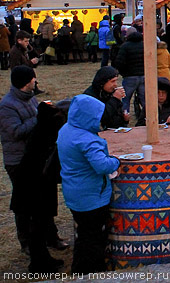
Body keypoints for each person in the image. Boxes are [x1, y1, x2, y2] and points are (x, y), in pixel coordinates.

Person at [0, 66, 64, 262]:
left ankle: (50, 237)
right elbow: (15, 132)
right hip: (18, 161)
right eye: (33, 78)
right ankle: (26, 242)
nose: (36, 81)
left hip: (36, 158)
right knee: (25, 205)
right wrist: (39, 118)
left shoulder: (30, 98)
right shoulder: (7, 106)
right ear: (27, 81)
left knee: (43, 201)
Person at [57, 94, 120, 275]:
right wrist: (115, 161)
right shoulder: (87, 139)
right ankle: (90, 273)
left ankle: (81, 270)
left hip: (73, 192)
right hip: (91, 197)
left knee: (83, 234)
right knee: (93, 239)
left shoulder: (66, 130)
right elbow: (102, 166)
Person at [113, 26, 145, 119]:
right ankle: (148, 117)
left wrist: (124, 73)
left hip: (130, 76)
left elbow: (119, 62)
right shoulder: (144, 45)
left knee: (125, 99)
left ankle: (124, 116)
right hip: (143, 75)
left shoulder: (125, 46)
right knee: (145, 99)